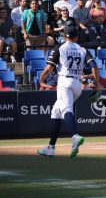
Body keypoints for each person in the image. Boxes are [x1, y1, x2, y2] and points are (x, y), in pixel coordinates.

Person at [36, 27, 101, 158]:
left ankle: (75, 136)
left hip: (64, 82)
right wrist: (97, 84)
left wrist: (41, 79)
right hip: (77, 84)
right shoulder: (82, 49)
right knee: (56, 112)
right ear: (76, 37)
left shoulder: (60, 48)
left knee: (66, 110)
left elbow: (49, 67)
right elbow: (94, 66)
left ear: (64, 37)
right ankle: (50, 148)